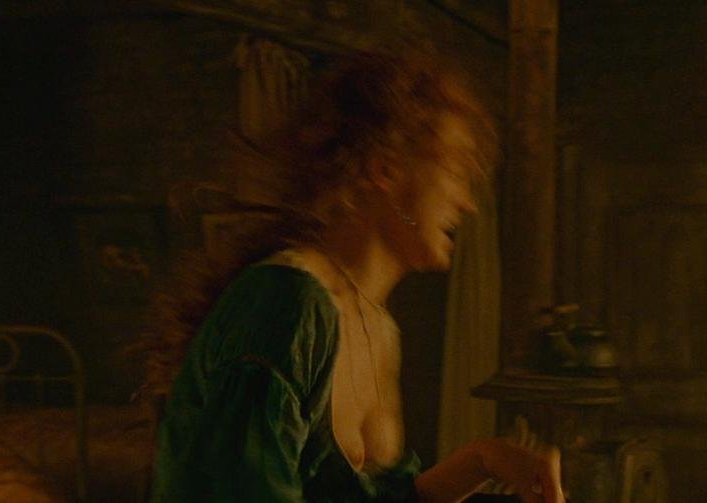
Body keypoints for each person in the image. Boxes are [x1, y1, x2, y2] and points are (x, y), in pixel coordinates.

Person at [140, 46, 565, 503]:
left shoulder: (377, 327)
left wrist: (481, 461)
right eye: (454, 170)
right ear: (384, 169)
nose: (467, 203)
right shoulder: (286, 303)